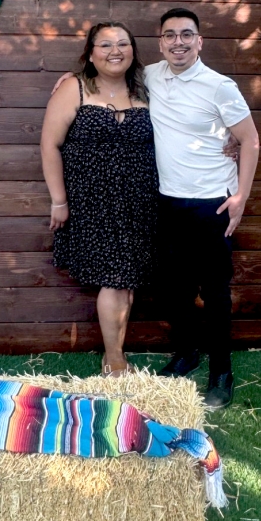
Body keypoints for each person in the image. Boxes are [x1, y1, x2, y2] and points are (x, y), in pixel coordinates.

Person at [147, 8, 259, 409]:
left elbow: (249, 140)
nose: (178, 42)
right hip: (167, 202)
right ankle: (188, 353)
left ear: (200, 41)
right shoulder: (149, 76)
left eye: (187, 35)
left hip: (213, 203)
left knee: (215, 293)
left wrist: (240, 198)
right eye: (170, 35)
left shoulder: (219, 86)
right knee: (175, 290)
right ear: (160, 41)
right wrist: (69, 80)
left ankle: (222, 371)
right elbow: (103, 81)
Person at [40, 22, 158, 377]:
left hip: (140, 201)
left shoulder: (147, 89)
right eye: (105, 44)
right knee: (115, 278)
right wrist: (59, 201)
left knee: (127, 279)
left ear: (133, 50)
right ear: (90, 53)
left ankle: (114, 353)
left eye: (123, 43)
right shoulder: (73, 88)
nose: (114, 50)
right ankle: (116, 361)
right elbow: (50, 145)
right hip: (92, 201)